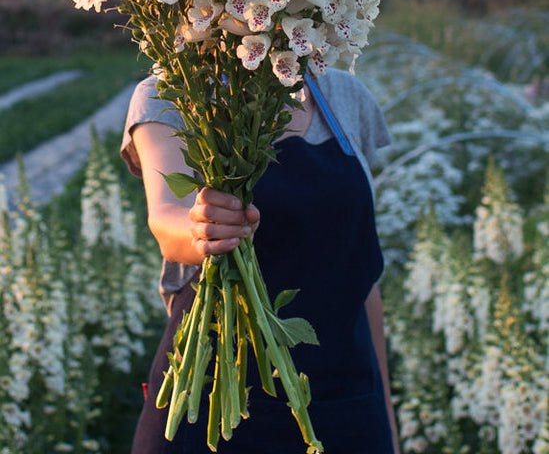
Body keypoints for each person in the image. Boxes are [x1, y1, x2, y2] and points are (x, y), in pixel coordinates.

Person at [120, 66, 400, 454]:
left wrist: (385, 418)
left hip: (347, 405)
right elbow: (167, 218)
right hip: (214, 411)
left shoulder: (342, 95)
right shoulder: (174, 88)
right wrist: (203, 228)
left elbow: (362, 276)